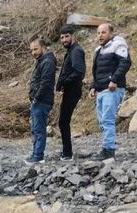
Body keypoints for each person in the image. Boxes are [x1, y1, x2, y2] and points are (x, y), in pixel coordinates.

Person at [89, 23, 131, 161]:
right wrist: (92, 86)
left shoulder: (118, 45)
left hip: (112, 89)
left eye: (103, 32)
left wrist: (114, 80)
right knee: (102, 121)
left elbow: (125, 63)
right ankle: (106, 148)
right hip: (101, 89)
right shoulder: (98, 51)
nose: (100, 35)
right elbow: (95, 72)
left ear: (110, 33)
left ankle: (109, 150)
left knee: (107, 119)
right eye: (98, 33)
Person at [56, 25, 86, 161]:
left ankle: (67, 153)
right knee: (63, 121)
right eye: (62, 37)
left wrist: (64, 82)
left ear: (73, 36)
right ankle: (66, 151)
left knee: (63, 121)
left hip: (73, 90)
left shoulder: (76, 51)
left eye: (66, 36)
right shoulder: (71, 51)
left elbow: (78, 72)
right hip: (70, 90)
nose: (64, 40)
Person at [26, 37, 57, 165]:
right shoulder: (41, 61)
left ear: (43, 47)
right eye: (32, 50)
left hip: (42, 101)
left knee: (39, 129)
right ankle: (35, 153)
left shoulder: (48, 62)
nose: (33, 52)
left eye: (36, 49)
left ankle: (38, 155)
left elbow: (45, 83)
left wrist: (36, 98)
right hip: (38, 100)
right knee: (35, 128)